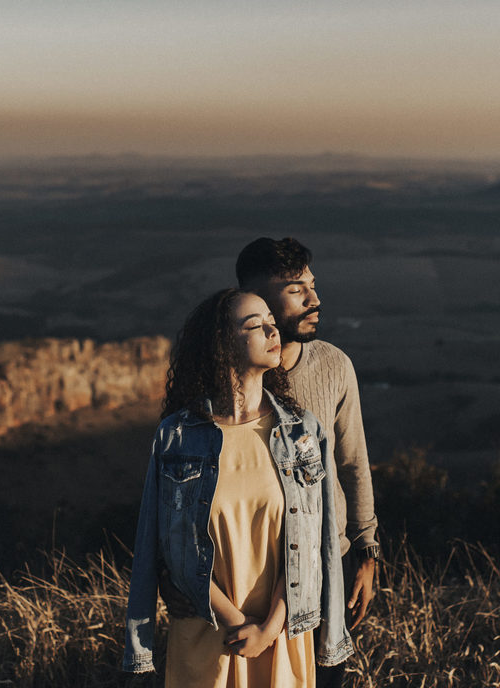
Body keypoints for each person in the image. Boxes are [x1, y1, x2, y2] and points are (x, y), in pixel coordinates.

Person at [123, 288, 354, 685]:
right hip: (206, 636)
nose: (272, 330)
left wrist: (267, 629)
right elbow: (160, 546)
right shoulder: (176, 438)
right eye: (255, 325)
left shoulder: (302, 432)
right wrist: (234, 621)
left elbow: (314, 543)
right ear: (222, 346)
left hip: (282, 636)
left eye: (271, 321)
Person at [235, 237, 380, 688]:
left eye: (312, 286)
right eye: (297, 289)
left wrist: (366, 550)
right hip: (249, 570)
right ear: (259, 300)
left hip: (325, 564)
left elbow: (353, 463)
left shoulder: (334, 365)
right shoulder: (230, 377)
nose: (315, 300)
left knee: (323, 678)